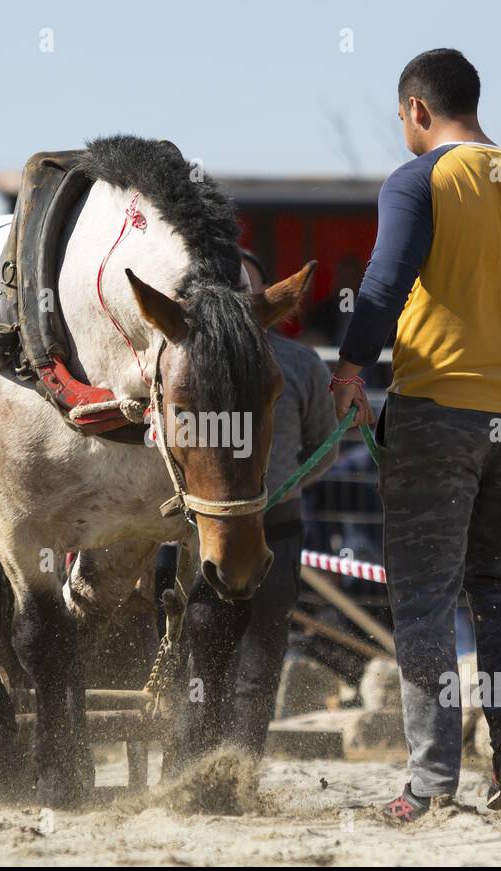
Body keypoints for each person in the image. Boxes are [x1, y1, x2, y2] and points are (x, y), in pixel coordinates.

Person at [329, 49, 501, 819]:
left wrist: (349, 369)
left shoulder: (419, 180)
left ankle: (431, 780)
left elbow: (382, 285)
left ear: (417, 110)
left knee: (423, 597)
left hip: (438, 409)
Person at [192, 249, 340, 756]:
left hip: (277, 529)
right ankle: (190, 764)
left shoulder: (299, 364)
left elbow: (325, 446)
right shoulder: (186, 365)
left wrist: (278, 490)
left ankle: (241, 770)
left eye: (251, 293)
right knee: (201, 657)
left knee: (260, 661)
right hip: (203, 534)